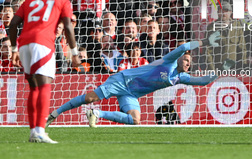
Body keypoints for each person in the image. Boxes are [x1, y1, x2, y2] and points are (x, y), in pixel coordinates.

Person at [46, 31, 225, 127]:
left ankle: (97, 114)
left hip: (132, 94)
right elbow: (185, 46)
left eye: (189, 63)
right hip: (123, 80)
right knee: (90, 98)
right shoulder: (169, 60)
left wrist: (223, 70)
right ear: (179, 58)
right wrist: (206, 42)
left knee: (135, 120)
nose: (187, 64)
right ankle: (55, 114)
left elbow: (204, 81)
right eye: (186, 59)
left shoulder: (181, 77)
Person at [9, 0, 81, 143]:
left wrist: (14, 49)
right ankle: (40, 130)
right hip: (43, 44)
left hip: (24, 44)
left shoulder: (29, 0)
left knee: (33, 87)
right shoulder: (62, 1)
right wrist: (74, 53)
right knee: (44, 85)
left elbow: (13, 24)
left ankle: (34, 131)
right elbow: (68, 27)